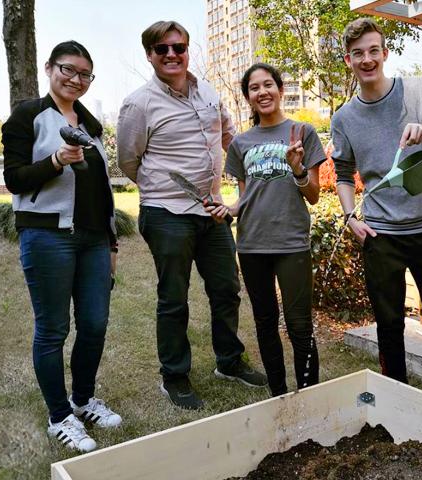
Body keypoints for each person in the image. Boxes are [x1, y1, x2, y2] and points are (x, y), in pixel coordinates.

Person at [117, 20, 267, 411]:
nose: (172, 55)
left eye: (178, 47)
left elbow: (230, 138)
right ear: (149, 54)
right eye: (162, 49)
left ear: (187, 49)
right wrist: (158, 188)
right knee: (174, 298)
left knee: (226, 290)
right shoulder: (139, 102)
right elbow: (129, 160)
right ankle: (175, 375)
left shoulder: (208, 91)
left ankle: (229, 362)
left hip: (212, 209)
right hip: (167, 212)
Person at [330, 18, 422, 403]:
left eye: (373, 50)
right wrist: (350, 216)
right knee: (388, 324)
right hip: (381, 237)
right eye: (358, 54)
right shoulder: (343, 118)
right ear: (348, 60)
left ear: (385, 53)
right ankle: (396, 399)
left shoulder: (418, 90)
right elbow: (340, 173)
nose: (367, 59)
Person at [2, 40, 121, 452]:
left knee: (95, 324)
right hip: (47, 235)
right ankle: (59, 416)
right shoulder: (28, 115)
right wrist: (56, 161)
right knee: (53, 329)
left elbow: (103, 189)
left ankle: (83, 400)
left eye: (84, 74)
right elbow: (14, 179)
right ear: (50, 68)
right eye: (68, 70)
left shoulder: (91, 124)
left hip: (92, 239)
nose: (75, 79)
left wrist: (111, 243)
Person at [207, 63, 325, 396]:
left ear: (280, 89)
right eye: (254, 88)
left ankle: (309, 396)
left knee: (300, 325)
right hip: (252, 245)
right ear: (248, 97)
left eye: (268, 84)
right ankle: (279, 395)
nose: (263, 92)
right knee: (265, 322)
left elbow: (314, 195)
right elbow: (244, 196)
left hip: (291, 243)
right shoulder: (241, 144)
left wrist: (298, 168)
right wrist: (229, 208)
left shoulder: (303, 132)